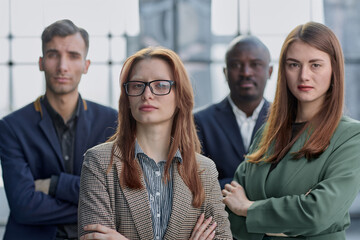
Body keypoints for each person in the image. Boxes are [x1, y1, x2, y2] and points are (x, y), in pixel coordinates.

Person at [223, 22, 360, 240]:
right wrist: (291, 219)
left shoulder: (351, 137)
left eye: (315, 65)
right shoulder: (267, 133)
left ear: (334, 69)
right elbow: (229, 211)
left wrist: (249, 209)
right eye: (294, 65)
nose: (304, 75)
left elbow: (317, 214)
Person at [78, 47, 232, 240]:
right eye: (136, 85)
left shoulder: (205, 170)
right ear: (127, 98)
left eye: (160, 85)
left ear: (179, 95)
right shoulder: (99, 162)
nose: (147, 94)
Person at [0, 19, 118, 240]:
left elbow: (117, 194)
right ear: (41, 62)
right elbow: (23, 205)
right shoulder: (11, 127)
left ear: (86, 65)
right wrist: (94, 207)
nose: (62, 66)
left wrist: (54, 185)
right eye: (53, 54)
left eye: (73, 56)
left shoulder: (111, 121)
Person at [194, 35, 273, 189]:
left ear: (269, 71)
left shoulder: (287, 119)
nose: (246, 72)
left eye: (255, 64)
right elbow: (195, 182)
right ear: (225, 72)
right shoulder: (199, 121)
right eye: (236, 65)